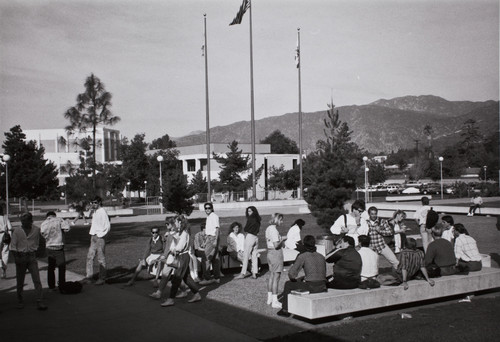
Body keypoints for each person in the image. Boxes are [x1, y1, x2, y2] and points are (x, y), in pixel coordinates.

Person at [277, 235, 327, 317]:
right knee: (302, 278)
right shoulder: (321, 256)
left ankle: (285, 310)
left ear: (304, 245)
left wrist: (295, 279)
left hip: (312, 286)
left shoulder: (303, 256)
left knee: (288, 284)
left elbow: (291, 274)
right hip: (322, 285)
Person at [161, 215, 201, 307]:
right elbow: (174, 244)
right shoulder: (180, 232)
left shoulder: (184, 233)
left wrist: (173, 249)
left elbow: (180, 247)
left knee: (177, 278)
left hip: (183, 256)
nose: (174, 223)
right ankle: (197, 294)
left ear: (180, 222)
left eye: (176, 222)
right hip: (181, 256)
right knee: (186, 278)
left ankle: (171, 299)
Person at [10, 212, 47, 310]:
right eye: (22, 221)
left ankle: (40, 301)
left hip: (31, 257)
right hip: (21, 257)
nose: (23, 223)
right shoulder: (17, 231)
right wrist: (17, 258)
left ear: (31, 221)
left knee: (37, 280)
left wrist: (39, 252)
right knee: (20, 281)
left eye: (25, 221)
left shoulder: (36, 230)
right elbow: (13, 247)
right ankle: (20, 300)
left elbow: (41, 242)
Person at [82, 196, 110, 285]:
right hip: (93, 236)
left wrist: (101, 235)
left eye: (95, 202)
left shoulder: (103, 212)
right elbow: (87, 215)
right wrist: (90, 209)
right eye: (92, 202)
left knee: (101, 258)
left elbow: (107, 226)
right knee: (89, 256)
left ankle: (102, 278)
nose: (93, 204)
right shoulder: (95, 211)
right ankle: (89, 277)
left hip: (100, 237)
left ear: (99, 203)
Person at [40, 211, 70, 291]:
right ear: (54, 215)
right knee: (61, 266)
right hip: (58, 246)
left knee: (51, 267)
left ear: (47, 216)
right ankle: (62, 284)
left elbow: (42, 233)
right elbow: (67, 228)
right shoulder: (59, 220)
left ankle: (51, 286)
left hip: (49, 246)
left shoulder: (44, 223)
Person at [265, 213, 286, 309]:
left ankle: (269, 298)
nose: (282, 222)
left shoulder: (268, 228)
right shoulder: (273, 230)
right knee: (276, 277)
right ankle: (275, 301)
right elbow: (276, 245)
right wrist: (283, 239)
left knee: (272, 276)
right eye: (281, 220)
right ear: (277, 220)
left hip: (269, 253)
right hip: (275, 253)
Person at [235, 206, 261, 279]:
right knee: (254, 255)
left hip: (250, 237)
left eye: (250, 211)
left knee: (246, 256)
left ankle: (242, 273)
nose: (249, 213)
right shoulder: (258, 219)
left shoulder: (250, 218)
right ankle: (254, 273)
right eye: (248, 211)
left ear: (253, 211)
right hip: (256, 237)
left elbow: (246, 228)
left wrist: (247, 230)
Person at [199, 202, 221, 285]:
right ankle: (216, 277)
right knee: (215, 259)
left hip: (212, 238)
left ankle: (207, 278)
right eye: (206, 208)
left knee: (205, 258)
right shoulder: (209, 217)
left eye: (209, 208)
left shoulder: (214, 216)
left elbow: (217, 229)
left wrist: (215, 240)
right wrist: (206, 241)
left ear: (212, 208)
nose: (207, 209)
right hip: (210, 238)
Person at [0, 203, 13, 279]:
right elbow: (10, 228)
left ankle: (0, 265)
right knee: (5, 252)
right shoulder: (5, 218)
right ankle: (4, 270)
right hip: (5, 236)